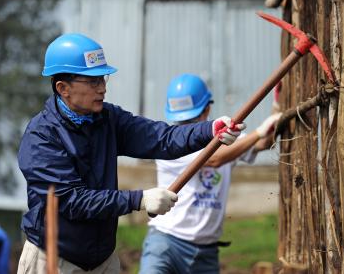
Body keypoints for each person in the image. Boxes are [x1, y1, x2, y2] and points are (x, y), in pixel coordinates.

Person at [16, 33, 245, 274]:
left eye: (103, 78)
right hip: (53, 260)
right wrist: (139, 199)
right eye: (93, 81)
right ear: (63, 88)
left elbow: (162, 138)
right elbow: (74, 201)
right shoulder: (41, 138)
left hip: (102, 259)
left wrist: (209, 130)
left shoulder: (108, 119)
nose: (103, 88)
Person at [139, 74, 281, 274]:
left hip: (205, 252)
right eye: (182, 121)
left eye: (191, 119)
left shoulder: (228, 139)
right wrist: (257, 132)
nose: (186, 126)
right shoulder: (170, 144)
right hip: (166, 243)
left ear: (207, 110)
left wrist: (276, 110)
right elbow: (214, 159)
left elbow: (262, 143)